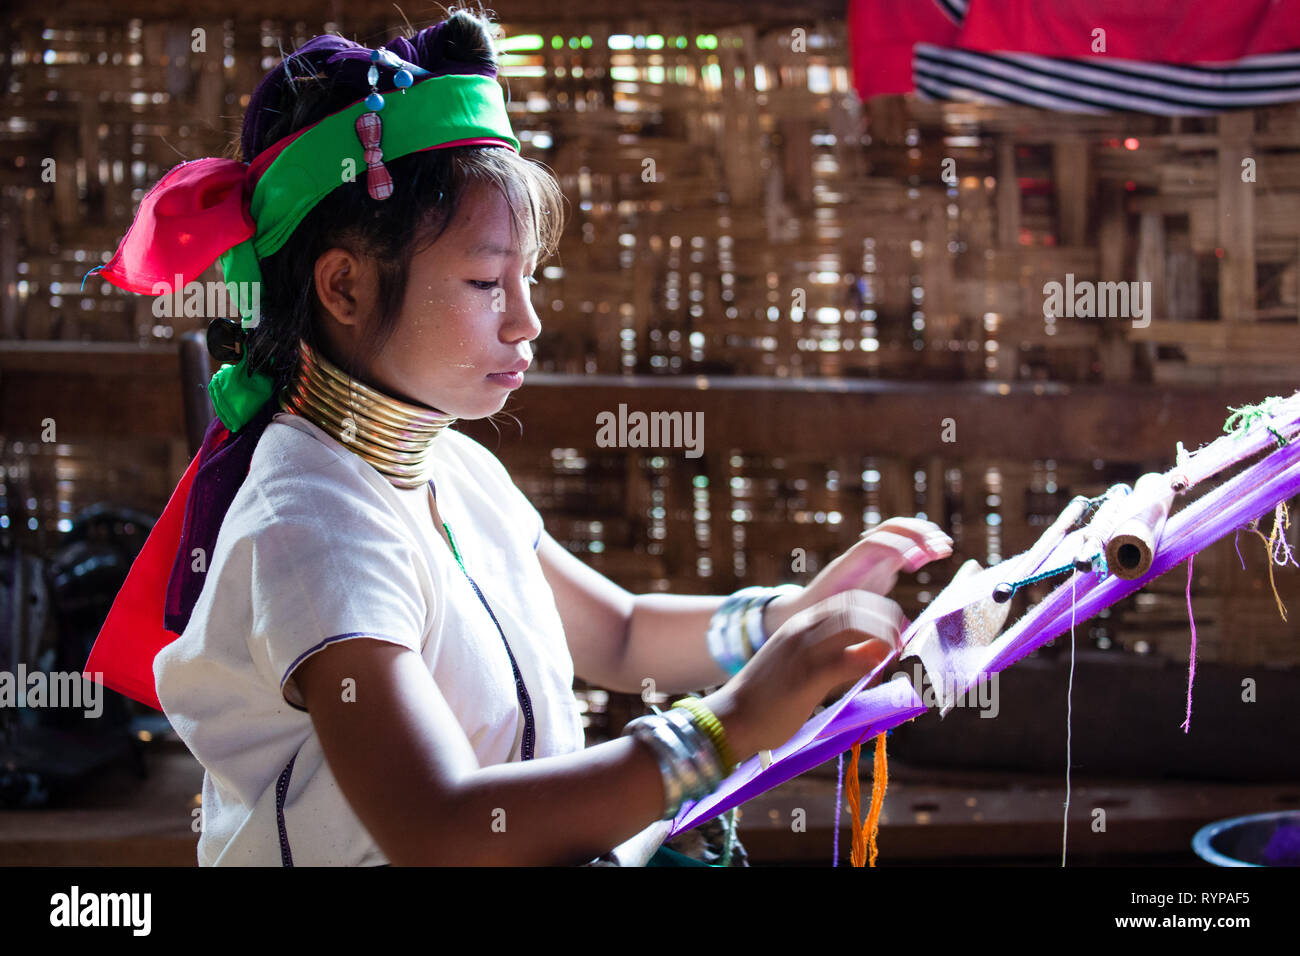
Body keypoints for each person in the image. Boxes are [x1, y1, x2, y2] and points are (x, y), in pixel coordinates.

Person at [86, 8, 954, 866]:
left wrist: (787, 618)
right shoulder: (312, 529)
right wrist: (722, 732)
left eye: (526, 279)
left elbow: (617, 633)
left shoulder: (454, 471)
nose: (526, 321)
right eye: (482, 281)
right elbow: (440, 828)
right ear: (343, 287)